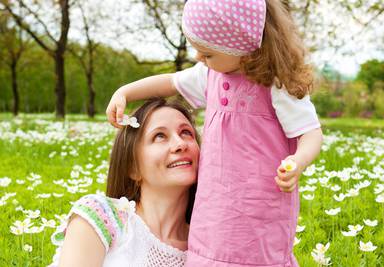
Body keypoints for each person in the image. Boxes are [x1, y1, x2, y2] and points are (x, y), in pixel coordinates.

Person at [106, 0, 323, 265]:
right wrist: (125, 92)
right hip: (214, 209)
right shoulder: (210, 76)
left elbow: (311, 133)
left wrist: (297, 161)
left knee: (254, 255)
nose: (200, 59)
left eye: (208, 54)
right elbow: (169, 82)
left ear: (244, 49)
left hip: (259, 210)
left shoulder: (276, 85)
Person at [49, 98, 200, 267]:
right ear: (133, 167)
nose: (180, 144)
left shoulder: (207, 246)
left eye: (186, 133)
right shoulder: (102, 218)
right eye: (160, 136)